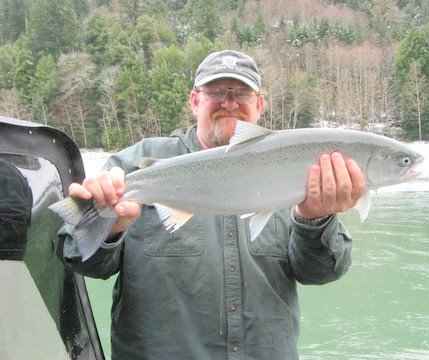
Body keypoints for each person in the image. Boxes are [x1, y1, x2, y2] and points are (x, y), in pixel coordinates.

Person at [58, 50, 365, 360]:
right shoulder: (138, 164)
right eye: (216, 92)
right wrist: (110, 227)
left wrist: (315, 220)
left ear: (259, 104)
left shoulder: (301, 170)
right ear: (194, 101)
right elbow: (75, 255)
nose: (229, 102)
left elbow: (322, 272)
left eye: (241, 93)